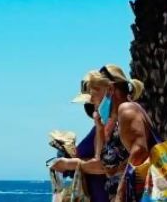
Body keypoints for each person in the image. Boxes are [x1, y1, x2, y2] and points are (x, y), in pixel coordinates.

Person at [52, 65, 155, 202]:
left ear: (110, 90)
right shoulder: (117, 120)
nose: (94, 105)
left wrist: (120, 193)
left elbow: (140, 152)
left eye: (94, 98)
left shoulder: (127, 110)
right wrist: (100, 128)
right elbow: (103, 161)